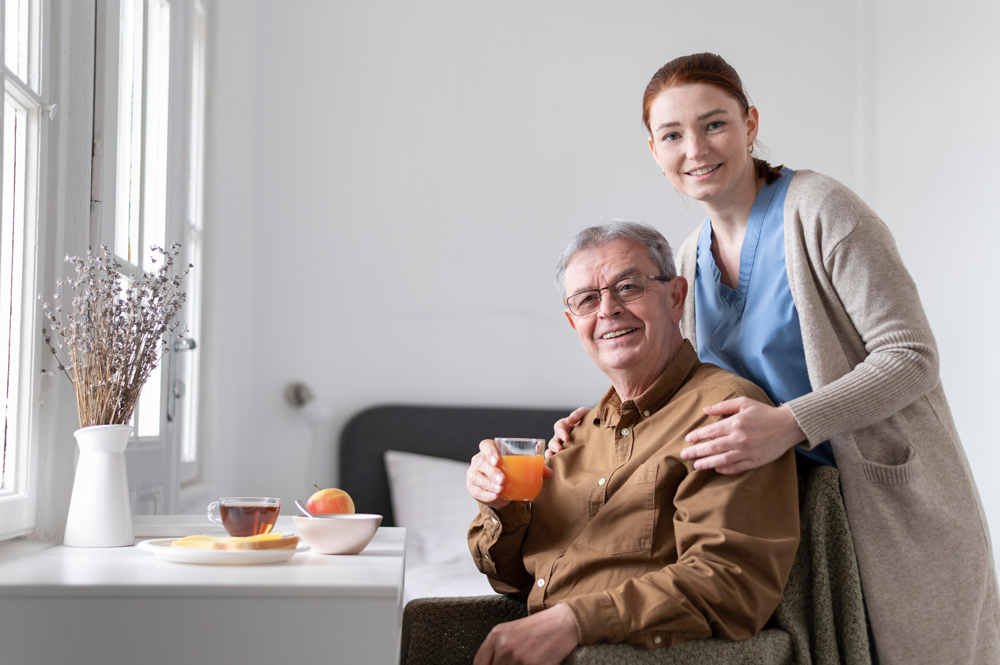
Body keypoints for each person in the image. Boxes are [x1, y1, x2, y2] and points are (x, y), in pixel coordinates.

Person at [548, 53, 1000, 665]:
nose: (697, 149)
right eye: (673, 135)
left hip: (889, 513)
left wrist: (789, 424)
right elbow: (673, 387)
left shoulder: (820, 211)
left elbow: (912, 355)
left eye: (715, 125)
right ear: (654, 151)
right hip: (788, 521)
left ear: (750, 124)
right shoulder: (685, 262)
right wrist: (595, 427)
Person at [466, 221, 800, 665]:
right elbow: (515, 580)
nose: (607, 310)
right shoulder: (576, 435)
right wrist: (502, 506)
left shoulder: (727, 412)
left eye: (628, 286)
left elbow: (730, 584)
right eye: (587, 299)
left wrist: (574, 621)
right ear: (574, 322)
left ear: (676, 297)